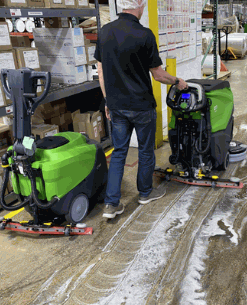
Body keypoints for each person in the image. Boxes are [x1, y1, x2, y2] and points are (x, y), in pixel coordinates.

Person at [94, 0, 189, 219]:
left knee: (119, 153)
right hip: (142, 107)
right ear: (139, 6)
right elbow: (158, 74)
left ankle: (111, 204)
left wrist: (108, 101)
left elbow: (101, 71)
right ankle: (145, 193)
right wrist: (177, 81)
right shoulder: (145, 35)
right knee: (146, 151)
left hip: (117, 106)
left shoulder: (105, 32)